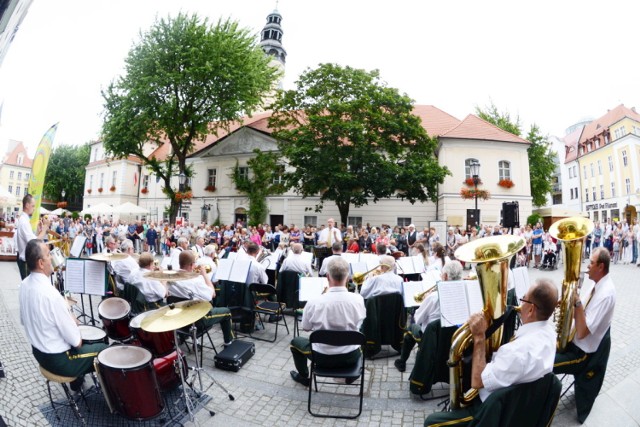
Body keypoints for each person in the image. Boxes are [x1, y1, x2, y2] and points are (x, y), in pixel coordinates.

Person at [425, 278, 557, 426]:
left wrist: (480, 337)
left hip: (492, 413)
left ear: (531, 309)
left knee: (431, 423)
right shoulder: (550, 334)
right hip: (524, 406)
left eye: (523, 299)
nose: (520, 304)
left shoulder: (514, 352)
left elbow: (477, 382)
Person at [19, 239, 108, 391]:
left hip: (38, 353)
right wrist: (72, 320)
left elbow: (23, 320)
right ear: (41, 263)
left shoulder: (24, 284)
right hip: (58, 359)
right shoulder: (51, 296)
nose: (52, 258)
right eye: (48, 254)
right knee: (104, 350)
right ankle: (113, 398)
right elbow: (76, 342)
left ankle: (77, 383)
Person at [289, 257, 366, 387]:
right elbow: (360, 322)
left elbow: (306, 327)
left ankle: (304, 376)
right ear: (347, 278)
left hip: (321, 357)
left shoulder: (314, 301)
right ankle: (351, 374)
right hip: (350, 356)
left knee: (294, 342)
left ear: (327, 277)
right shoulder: (358, 299)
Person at [554, 247, 616, 374]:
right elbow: (580, 312)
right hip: (573, 342)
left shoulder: (606, 294)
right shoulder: (597, 284)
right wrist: (567, 300)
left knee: (544, 365)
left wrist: (576, 302)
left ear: (601, 267)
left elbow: (582, 332)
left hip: (581, 353)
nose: (588, 266)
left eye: (592, 263)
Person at [394, 260, 463, 372]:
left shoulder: (434, 297)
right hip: (456, 339)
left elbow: (418, 319)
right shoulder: (465, 294)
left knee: (411, 327)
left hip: (432, 339)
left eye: (441, 274)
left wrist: (425, 300)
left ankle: (402, 361)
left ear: (445, 276)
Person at [167, 250, 234, 346]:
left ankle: (183, 337)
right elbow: (212, 295)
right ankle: (228, 342)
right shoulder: (196, 280)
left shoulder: (171, 278)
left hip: (180, 319)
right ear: (192, 265)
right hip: (198, 319)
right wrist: (205, 275)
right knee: (227, 312)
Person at [15, 194, 50, 279]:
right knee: (28, 288)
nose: (34, 209)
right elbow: (33, 243)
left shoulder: (24, 219)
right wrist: (45, 228)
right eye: (33, 206)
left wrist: (39, 231)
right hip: (25, 261)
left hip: (25, 260)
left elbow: (32, 239)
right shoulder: (24, 221)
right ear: (27, 205)